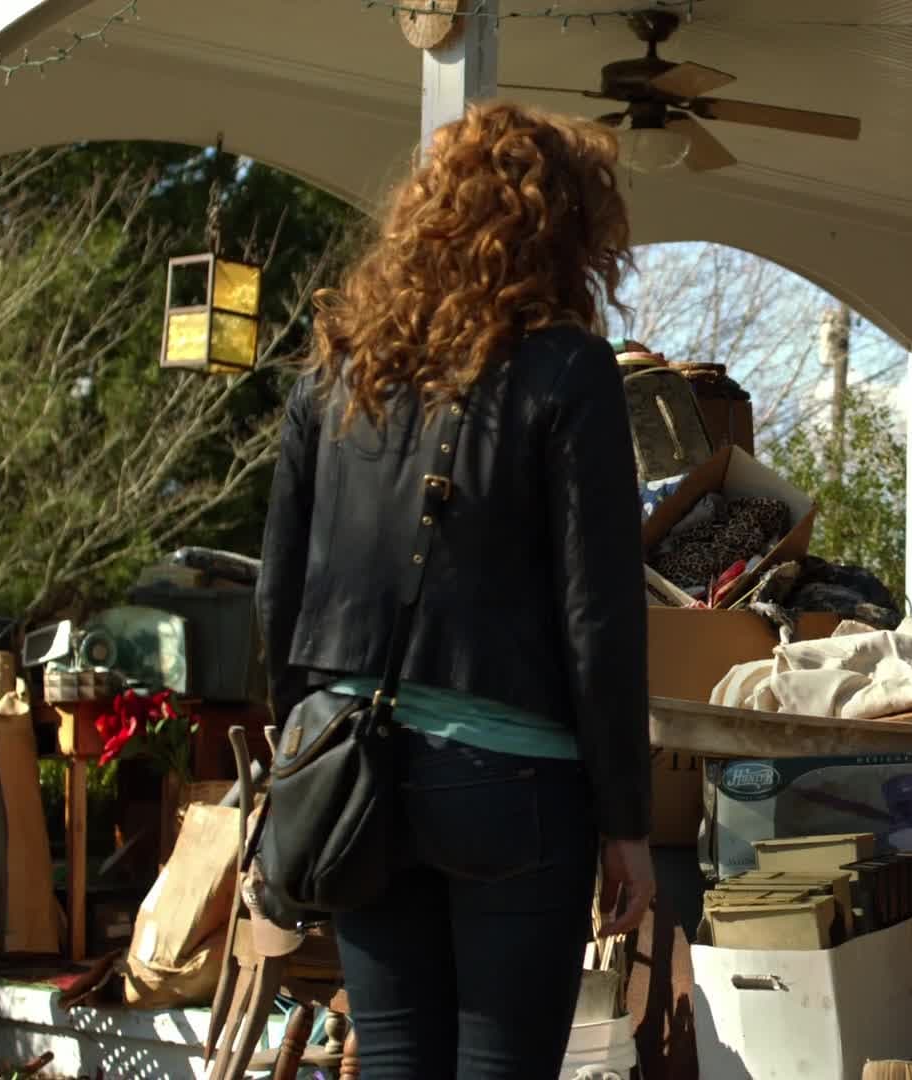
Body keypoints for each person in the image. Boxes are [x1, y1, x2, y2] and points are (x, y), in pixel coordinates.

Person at [256, 101, 655, 1079]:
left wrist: (297, 748)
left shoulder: (338, 369)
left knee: (394, 1062)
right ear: (566, 231)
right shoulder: (569, 368)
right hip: (514, 787)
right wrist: (628, 823)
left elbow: (279, 588)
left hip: (355, 771)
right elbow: (599, 618)